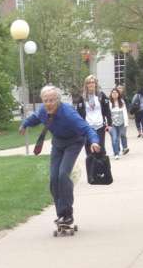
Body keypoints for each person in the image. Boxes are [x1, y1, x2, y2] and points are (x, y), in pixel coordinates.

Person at [19, 85, 100, 225]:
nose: (48, 104)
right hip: (58, 144)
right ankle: (61, 214)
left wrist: (94, 141)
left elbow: (87, 128)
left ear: (58, 100)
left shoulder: (68, 113)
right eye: (45, 100)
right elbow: (35, 118)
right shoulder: (43, 111)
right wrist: (24, 124)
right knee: (54, 178)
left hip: (74, 143)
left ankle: (68, 213)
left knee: (63, 175)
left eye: (52, 100)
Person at [74, 75, 111, 155]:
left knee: (100, 149)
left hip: (100, 126)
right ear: (86, 85)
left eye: (93, 82)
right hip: (88, 127)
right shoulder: (82, 98)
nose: (91, 84)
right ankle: (91, 167)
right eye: (89, 83)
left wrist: (109, 124)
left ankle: (102, 167)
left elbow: (107, 110)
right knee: (89, 150)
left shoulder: (101, 96)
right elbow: (78, 114)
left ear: (96, 84)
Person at [108, 88, 129, 160]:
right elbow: (107, 114)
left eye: (116, 92)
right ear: (111, 94)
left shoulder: (122, 102)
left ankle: (124, 147)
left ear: (118, 94)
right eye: (113, 92)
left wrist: (126, 123)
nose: (114, 94)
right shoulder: (109, 103)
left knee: (122, 135)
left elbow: (125, 113)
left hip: (121, 123)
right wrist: (108, 125)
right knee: (114, 138)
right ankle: (116, 153)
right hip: (113, 124)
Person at [116, 85, 129, 154]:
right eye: (118, 88)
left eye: (121, 88)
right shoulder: (113, 97)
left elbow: (127, 108)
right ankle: (117, 148)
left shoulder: (125, 98)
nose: (119, 89)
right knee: (117, 135)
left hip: (123, 119)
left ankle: (125, 148)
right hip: (115, 119)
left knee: (123, 134)